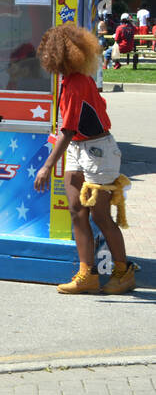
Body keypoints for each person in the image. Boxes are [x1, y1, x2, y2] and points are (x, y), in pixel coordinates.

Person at [33, 24, 137, 295]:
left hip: (97, 152)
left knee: (100, 216)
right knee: (77, 212)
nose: (45, 56)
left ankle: (123, 272)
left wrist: (46, 167)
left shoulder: (77, 82)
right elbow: (67, 132)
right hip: (81, 150)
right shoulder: (71, 79)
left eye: (48, 50)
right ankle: (86, 274)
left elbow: (67, 130)